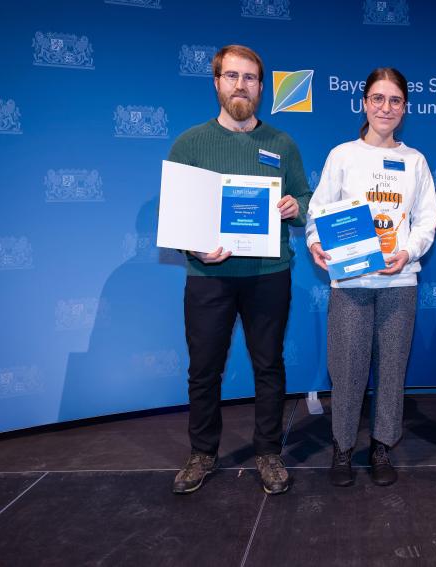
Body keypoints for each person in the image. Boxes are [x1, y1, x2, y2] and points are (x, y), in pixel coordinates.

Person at [168, 45, 311, 496]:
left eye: (250, 78)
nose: (241, 85)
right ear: (216, 83)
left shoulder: (282, 143)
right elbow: (175, 217)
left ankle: (268, 452)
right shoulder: (190, 143)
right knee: (204, 369)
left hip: (269, 275)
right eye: (232, 76)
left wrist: (295, 206)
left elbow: (307, 200)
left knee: (268, 365)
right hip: (208, 278)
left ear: (261, 87)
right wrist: (195, 246)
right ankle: (202, 453)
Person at [306, 68, 436, 487]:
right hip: (351, 284)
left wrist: (408, 252)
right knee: (346, 369)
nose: (386, 107)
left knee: (392, 369)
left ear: (404, 108)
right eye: (378, 99)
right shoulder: (342, 155)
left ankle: (381, 445)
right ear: (364, 103)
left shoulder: (415, 161)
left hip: (399, 283)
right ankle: (342, 448)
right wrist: (314, 243)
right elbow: (318, 212)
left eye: (395, 100)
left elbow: (427, 222)